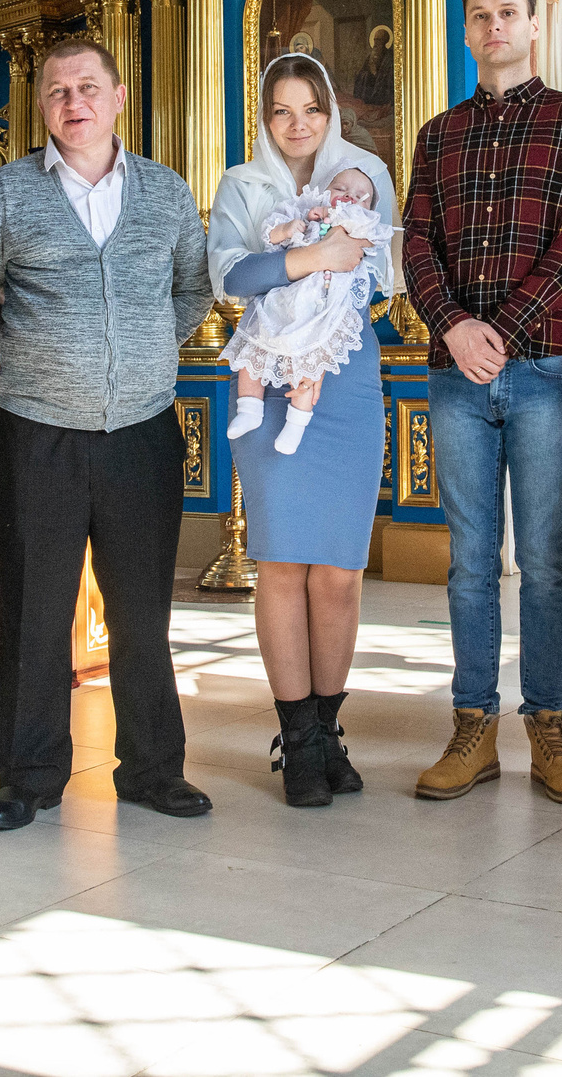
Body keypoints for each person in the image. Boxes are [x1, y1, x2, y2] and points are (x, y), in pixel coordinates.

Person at [0, 37, 214, 831]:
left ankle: (151, 769)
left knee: (143, 613)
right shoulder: (3, 194)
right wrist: (48, 357)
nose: (72, 102)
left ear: (117, 98)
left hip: (141, 434)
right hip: (36, 433)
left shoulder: (166, 193)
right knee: (35, 613)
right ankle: (28, 777)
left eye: (86, 87)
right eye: (55, 91)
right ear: (41, 106)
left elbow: (192, 292)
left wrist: (135, 358)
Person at [401, 0, 562, 805]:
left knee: (545, 559)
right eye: (480, 15)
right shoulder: (438, 133)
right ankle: (472, 725)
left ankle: (551, 726)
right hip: (456, 374)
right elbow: (415, 240)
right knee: (469, 561)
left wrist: (505, 329)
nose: (495, 26)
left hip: (546, 366)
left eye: (509, 13)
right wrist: (453, 324)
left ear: (533, 24)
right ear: (467, 30)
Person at [206, 52, 399, 806]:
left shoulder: (365, 172)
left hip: (343, 377)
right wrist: (311, 254)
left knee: (341, 569)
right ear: (264, 114)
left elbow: (376, 270)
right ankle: (297, 737)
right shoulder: (240, 184)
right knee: (283, 562)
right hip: (265, 375)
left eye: (311, 110)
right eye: (282, 110)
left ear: (332, 113)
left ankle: (326, 727)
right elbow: (228, 277)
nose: (297, 125)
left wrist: (290, 259)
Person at [221, 162, 391, 457]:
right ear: (324, 191)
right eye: (340, 189)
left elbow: (366, 244)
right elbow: (270, 240)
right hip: (285, 299)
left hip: (322, 305)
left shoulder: (361, 228)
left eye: (360, 195)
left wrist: (346, 222)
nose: (349, 196)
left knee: (310, 371)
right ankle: (249, 407)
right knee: (252, 350)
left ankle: (296, 424)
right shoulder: (302, 213)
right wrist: (292, 227)